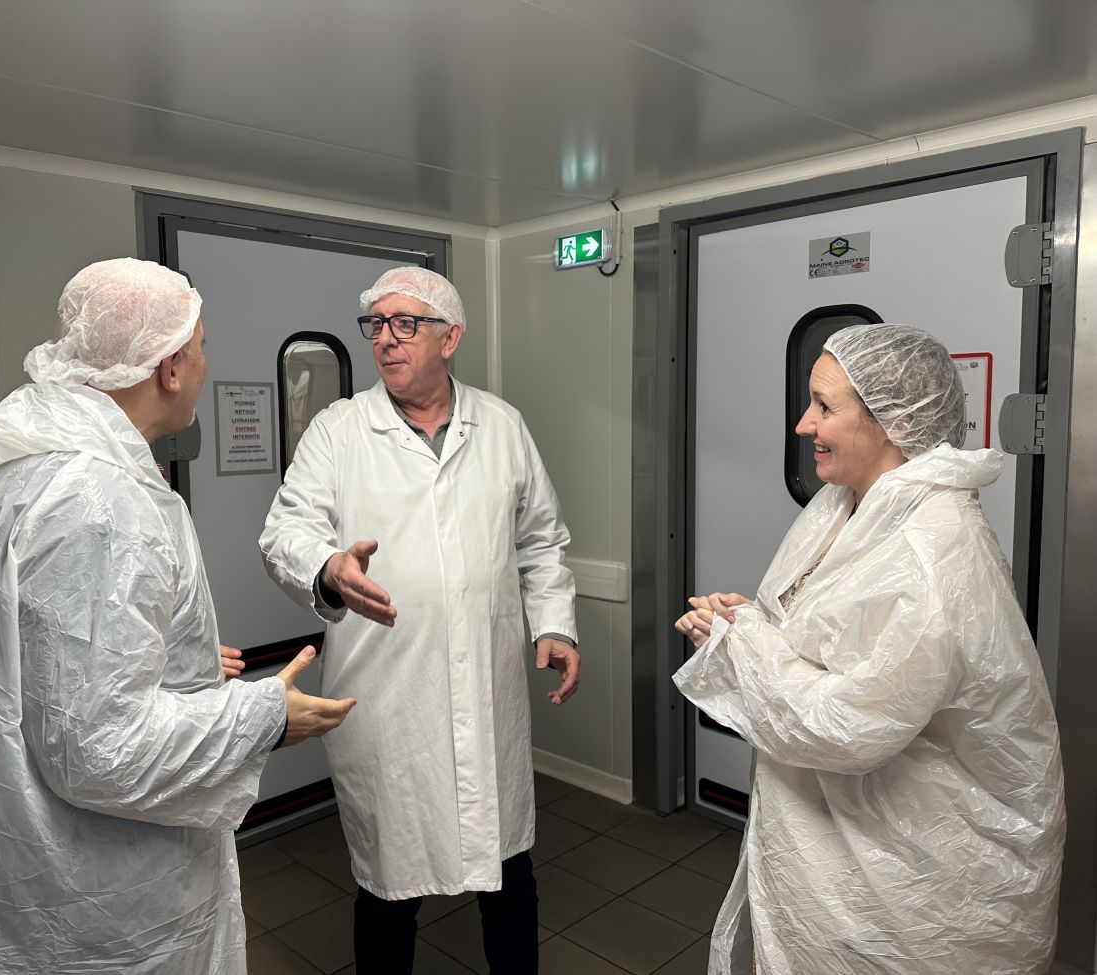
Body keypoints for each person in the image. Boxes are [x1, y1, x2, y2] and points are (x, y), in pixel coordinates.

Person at [0, 258, 355, 975]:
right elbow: (101, 750)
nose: (205, 364)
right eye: (201, 347)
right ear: (170, 367)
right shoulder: (99, 502)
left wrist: (172, 661)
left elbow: (37, 654)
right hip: (87, 908)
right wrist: (264, 715)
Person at [673, 323, 1064, 974]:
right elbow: (821, 631)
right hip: (835, 844)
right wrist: (744, 625)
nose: (803, 424)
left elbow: (851, 725)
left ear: (891, 422)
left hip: (915, 876)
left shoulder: (929, 551)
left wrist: (742, 647)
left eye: (824, 406)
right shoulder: (847, 505)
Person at [259, 266, 580, 974]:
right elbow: (285, 530)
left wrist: (554, 624)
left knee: (508, 873)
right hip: (388, 702)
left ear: (450, 337)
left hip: (486, 695)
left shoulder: (502, 426)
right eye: (376, 324)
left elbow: (540, 539)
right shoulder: (340, 430)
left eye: (406, 323)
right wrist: (328, 566)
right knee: (389, 886)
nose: (385, 339)